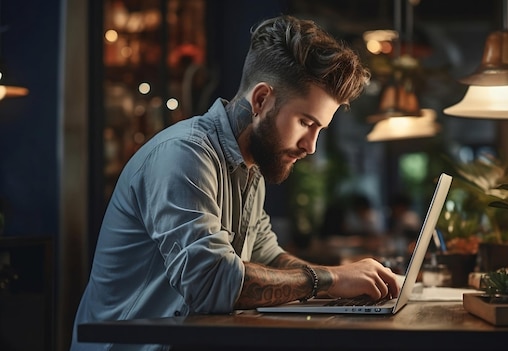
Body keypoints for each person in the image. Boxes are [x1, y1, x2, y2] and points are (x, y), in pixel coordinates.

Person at [71, 15, 400, 350]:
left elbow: (267, 255)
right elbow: (210, 283)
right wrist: (330, 279)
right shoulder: (184, 155)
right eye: (305, 122)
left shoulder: (250, 167)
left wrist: (345, 282)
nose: (310, 146)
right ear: (261, 101)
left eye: (319, 130)